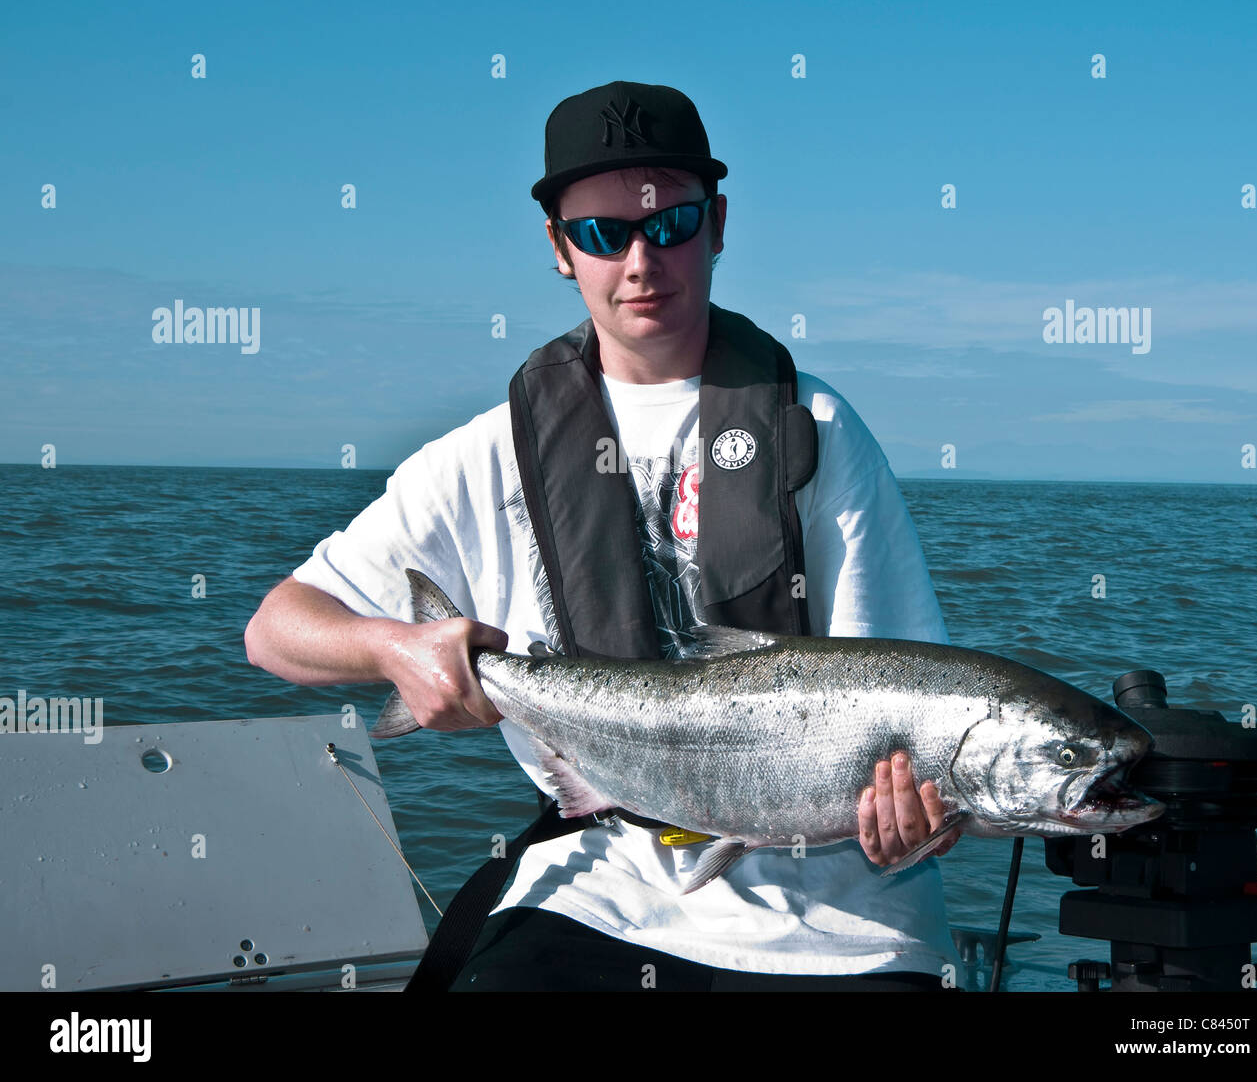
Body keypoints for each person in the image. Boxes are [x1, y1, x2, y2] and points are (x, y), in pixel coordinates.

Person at [244, 80, 962, 991]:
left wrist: (924, 814)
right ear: (558, 247)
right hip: (599, 883)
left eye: (670, 225)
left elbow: (907, 705)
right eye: (601, 233)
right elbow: (276, 628)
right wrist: (396, 648)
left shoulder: (816, 426)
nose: (640, 261)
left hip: (841, 914)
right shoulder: (489, 453)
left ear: (719, 224)